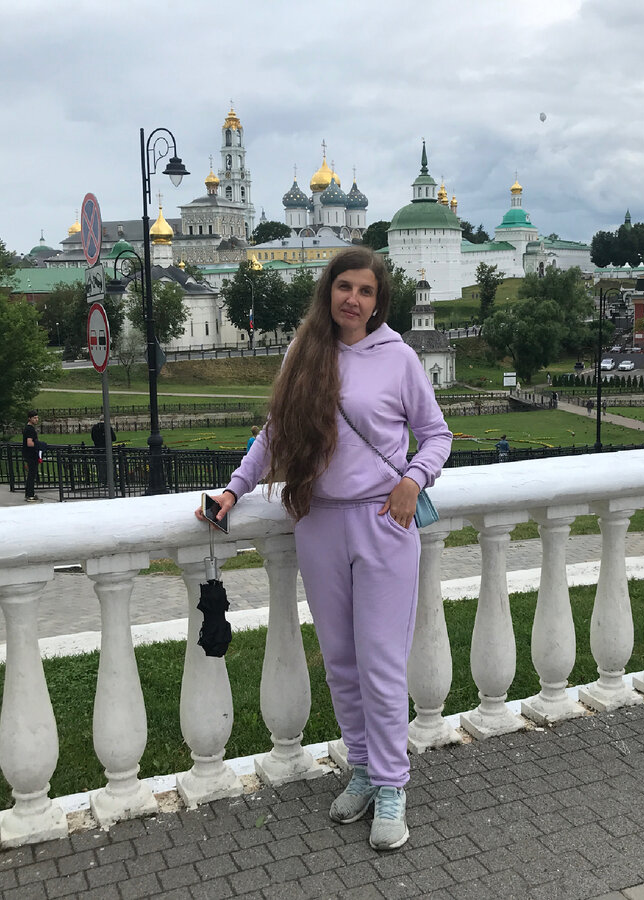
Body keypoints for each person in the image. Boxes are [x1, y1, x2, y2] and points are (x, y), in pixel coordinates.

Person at [195, 247, 451, 851]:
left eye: (365, 291)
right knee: (340, 661)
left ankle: (392, 784)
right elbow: (275, 433)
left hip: (382, 523)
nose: (352, 300)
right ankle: (362, 768)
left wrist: (413, 481)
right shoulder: (303, 352)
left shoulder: (399, 358)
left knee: (380, 663)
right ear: (328, 291)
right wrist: (234, 490)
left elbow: (436, 435)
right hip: (319, 523)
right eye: (344, 287)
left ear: (378, 301)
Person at [22, 411, 42, 502]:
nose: (36, 419)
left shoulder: (28, 428)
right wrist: (39, 445)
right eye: (34, 418)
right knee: (31, 475)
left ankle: (29, 494)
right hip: (31, 454)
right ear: (29, 418)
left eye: (37, 417)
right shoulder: (30, 429)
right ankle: (30, 495)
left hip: (29, 454)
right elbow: (29, 443)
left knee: (31, 474)